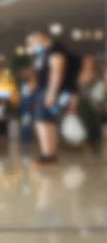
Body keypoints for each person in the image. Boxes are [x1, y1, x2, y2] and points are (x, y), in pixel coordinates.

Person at [26, 32, 81, 164]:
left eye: (32, 43)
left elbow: (57, 71)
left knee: (42, 120)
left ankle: (47, 154)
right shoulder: (45, 52)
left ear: (40, 38)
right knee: (48, 121)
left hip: (51, 91)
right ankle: (50, 152)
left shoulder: (55, 50)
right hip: (47, 90)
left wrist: (52, 93)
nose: (31, 46)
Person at [77, 56, 105, 153]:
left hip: (94, 103)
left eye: (90, 62)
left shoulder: (97, 75)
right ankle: (87, 143)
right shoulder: (79, 73)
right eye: (86, 62)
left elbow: (102, 89)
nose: (87, 64)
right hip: (81, 103)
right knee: (83, 122)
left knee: (94, 123)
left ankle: (95, 144)